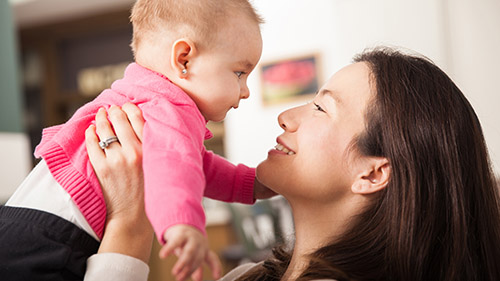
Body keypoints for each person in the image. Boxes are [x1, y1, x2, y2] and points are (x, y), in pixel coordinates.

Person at [85, 47, 500, 281]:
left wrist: (129, 223)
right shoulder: (247, 277)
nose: (287, 117)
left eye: (321, 107)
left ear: (372, 172)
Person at [0, 0, 267, 280]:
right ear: (184, 59)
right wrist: (183, 223)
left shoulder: (143, 96)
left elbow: (195, 165)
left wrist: (250, 184)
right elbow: (174, 166)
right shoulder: (171, 108)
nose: (245, 91)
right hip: (53, 239)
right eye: (239, 73)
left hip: (20, 225)